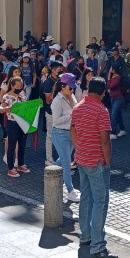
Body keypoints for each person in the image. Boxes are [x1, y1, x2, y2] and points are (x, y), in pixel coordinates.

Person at [70, 76, 115, 258]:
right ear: (103, 93)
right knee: (100, 202)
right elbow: (105, 140)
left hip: (82, 158)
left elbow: (72, 130)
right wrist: (108, 161)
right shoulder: (101, 110)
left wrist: (78, 147)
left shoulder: (78, 107)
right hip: (97, 161)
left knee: (86, 199)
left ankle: (85, 236)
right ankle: (98, 245)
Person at [50, 72, 80, 202]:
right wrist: (72, 115)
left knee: (63, 159)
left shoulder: (72, 96)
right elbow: (56, 121)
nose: (72, 89)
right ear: (63, 86)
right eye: (70, 87)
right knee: (67, 162)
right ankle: (70, 190)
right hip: (60, 133)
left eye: (73, 87)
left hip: (72, 132)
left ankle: (50, 173)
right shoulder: (57, 101)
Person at [2, 76, 30, 177]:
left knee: (22, 144)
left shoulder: (23, 94)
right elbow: (1, 108)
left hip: (23, 122)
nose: (19, 87)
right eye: (17, 86)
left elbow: (27, 106)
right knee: (11, 145)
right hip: (12, 123)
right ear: (12, 86)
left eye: (21, 85)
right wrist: (7, 108)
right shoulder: (7, 96)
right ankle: (10, 168)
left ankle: (20, 164)